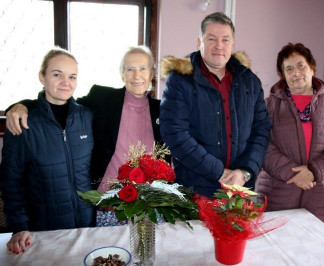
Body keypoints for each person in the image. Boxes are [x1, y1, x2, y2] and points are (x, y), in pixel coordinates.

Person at [4, 46, 163, 226]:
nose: (136, 75)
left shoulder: (163, 110)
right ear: (122, 74)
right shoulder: (102, 99)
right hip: (108, 208)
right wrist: (21, 105)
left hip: (149, 207)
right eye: (130, 69)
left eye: (143, 68)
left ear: (152, 74)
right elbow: (60, 103)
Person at [159, 12, 271, 197]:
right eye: (211, 38)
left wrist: (245, 171)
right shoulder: (180, 80)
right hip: (194, 191)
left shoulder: (250, 82)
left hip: (240, 190)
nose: (219, 45)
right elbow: (175, 134)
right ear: (199, 42)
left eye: (225, 40)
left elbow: (262, 130)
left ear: (233, 44)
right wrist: (219, 171)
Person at [0, 47, 95, 255]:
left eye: (72, 76)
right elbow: (10, 181)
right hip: (43, 230)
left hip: (87, 226)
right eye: (56, 74)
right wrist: (19, 226)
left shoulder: (87, 116)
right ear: (42, 77)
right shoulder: (23, 123)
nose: (65, 82)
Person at [255, 43, 324, 233]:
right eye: (289, 68)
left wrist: (315, 171)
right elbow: (261, 144)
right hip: (279, 194)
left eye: (301, 65)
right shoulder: (268, 106)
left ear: (312, 67)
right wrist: (293, 174)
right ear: (283, 74)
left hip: (323, 197)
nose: (296, 72)